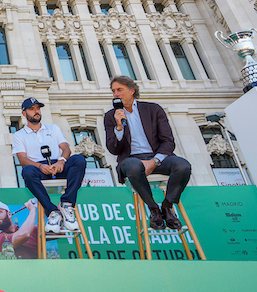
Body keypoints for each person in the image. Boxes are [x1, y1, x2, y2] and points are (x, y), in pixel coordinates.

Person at [104, 75, 192, 231]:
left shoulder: (153, 109)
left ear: (132, 91)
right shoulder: (111, 116)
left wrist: (155, 161)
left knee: (182, 166)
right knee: (133, 166)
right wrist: (118, 127)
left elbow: (168, 141)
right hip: (131, 160)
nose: (116, 94)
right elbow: (113, 149)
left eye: (119, 90)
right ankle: (154, 209)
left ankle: (167, 206)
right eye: (113, 91)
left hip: (158, 157)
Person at [12, 97, 87, 233]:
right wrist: (40, 166)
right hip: (38, 168)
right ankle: (52, 211)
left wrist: (61, 160)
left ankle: (67, 204)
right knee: (27, 171)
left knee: (79, 160)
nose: (36, 112)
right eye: (32, 109)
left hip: (58, 165)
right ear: (24, 113)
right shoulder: (19, 135)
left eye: (38, 108)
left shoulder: (53, 128)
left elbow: (66, 148)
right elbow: (22, 159)